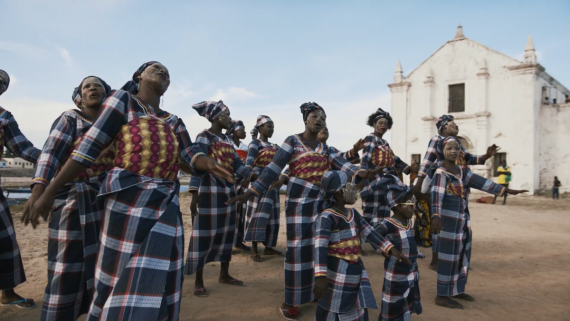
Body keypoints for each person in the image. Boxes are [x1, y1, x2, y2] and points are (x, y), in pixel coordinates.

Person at [26, 61, 233, 321]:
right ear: (139, 76)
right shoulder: (122, 101)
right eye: (155, 67)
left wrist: (207, 162)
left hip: (166, 203)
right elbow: (88, 147)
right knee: (116, 273)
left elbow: (189, 153)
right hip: (127, 201)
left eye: (167, 71)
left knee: (161, 273)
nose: (163, 72)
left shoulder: (174, 121)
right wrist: (46, 190)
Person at [228, 102, 382, 320]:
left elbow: (344, 163)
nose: (319, 120)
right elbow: (273, 170)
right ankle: (289, 301)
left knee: (321, 247)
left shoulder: (325, 149)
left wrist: (362, 173)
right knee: (298, 251)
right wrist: (250, 192)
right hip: (299, 205)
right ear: (305, 119)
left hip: (322, 204)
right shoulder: (292, 141)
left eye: (323, 117)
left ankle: (315, 291)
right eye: (315, 116)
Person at [23, 76, 112, 320]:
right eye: (87, 86)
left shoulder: (115, 124)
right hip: (72, 200)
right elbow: (50, 154)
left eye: (98, 85)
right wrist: (39, 189)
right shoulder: (69, 118)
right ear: (80, 97)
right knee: (66, 266)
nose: (93, 88)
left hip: (107, 202)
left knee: (105, 265)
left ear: (107, 95)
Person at [430, 136, 527, 309]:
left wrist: (507, 190)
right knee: (448, 257)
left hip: (462, 220)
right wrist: (435, 216)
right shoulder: (440, 173)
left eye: (456, 148)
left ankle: (457, 289)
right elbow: (436, 196)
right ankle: (442, 295)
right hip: (447, 222)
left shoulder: (462, 171)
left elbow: (483, 183)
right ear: (442, 151)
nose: (453, 151)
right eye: (449, 148)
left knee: (461, 254)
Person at [313, 170, 411, 321]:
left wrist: (390, 249)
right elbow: (320, 246)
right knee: (332, 306)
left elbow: (369, 232)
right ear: (338, 192)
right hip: (336, 273)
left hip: (355, 271)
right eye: (349, 185)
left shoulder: (353, 214)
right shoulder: (327, 217)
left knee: (355, 304)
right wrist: (320, 276)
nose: (354, 188)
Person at [186, 101, 254, 298]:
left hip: (227, 193)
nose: (229, 119)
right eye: (226, 115)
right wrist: (194, 192)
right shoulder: (204, 136)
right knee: (203, 236)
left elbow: (238, 166)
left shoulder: (225, 140)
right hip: (208, 192)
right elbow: (197, 164)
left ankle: (224, 275)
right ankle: (198, 281)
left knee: (226, 234)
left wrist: (256, 178)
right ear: (215, 117)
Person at [412, 115, 498, 270]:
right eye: (453, 124)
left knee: (462, 222)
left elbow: (468, 158)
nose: (456, 126)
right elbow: (426, 162)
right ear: (444, 127)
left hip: (461, 185)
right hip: (443, 185)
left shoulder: (457, 144)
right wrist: (418, 182)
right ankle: (436, 261)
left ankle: (460, 259)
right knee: (441, 223)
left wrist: (486, 156)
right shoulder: (436, 140)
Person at [0, 69, 41, 309]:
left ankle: (7, 293)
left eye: (2, 83)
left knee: (5, 241)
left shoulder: (4, 118)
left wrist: (52, 157)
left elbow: (23, 148)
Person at [359, 108, 415, 249]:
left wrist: (408, 169)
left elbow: (394, 159)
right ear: (374, 124)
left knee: (383, 212)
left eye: (386, 123)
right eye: (380, 122)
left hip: (386, 183)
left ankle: (378, 242)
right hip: (374, 181)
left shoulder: (384, 143)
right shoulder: (370, 139)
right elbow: (365, 159)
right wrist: (363, 175)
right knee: (369, 212)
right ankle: (359, 242)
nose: (383, 125)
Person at [376, 190, 422, 321]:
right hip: (396, 271)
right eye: (410, 205)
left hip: (411, 269)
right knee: (393, 300)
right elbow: (373, 236)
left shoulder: (408, 223)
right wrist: (384, 250)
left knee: (407, 298)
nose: (414, 208)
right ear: (398, 206)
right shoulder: (389, 223)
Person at [243, 115, 283, 262]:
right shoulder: (254, 143)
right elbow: (249, 163)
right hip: (258, 182)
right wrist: (250, 179)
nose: (271, 129)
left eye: (272, 126)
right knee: (257, 214)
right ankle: (254, 249)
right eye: (269, 126)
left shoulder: (275, 147)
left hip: (273, 183)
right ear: (260, 128)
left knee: (272, 216)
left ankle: (269, 246)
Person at [226, 119, 251, 252]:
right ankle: (227, 243)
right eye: (242, 129)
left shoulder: (245, 147)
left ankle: (238, 241)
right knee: (229, 213)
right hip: (228, 181)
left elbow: (245, 166)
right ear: (235, 131)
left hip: (242, 183)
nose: (244, 132)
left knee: (241, 213)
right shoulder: (226, 143)